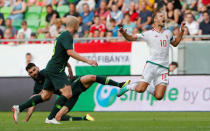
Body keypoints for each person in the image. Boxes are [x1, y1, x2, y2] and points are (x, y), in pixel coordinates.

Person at [12, 16, 98, 124]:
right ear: (75, 25)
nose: (78, 27)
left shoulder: (62, 35)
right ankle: (50, 118)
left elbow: (60, 54)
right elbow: (70, 52)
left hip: (51, 68)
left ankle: (19, 108)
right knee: (68, 93)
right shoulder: (68, 35)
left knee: (45, 96)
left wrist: (68, 66)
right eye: (78, 25)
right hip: (56, 70)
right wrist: (87, 61)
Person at [117, 10, 185, 101]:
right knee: (140, 89)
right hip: (151, 65)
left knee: (159, 96)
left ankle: (148, 87)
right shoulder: (148, 34)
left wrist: (182, 31)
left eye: (164, 16)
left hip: (163, 68)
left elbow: (175, 43)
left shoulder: (168, 33)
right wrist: (124, 33)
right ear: (155, 20)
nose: (164, 18)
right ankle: (129, 87)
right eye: (161, 16)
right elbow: (131, 38)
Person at [22, 63, 94, 122]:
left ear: (38, 68)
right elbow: (33, 103)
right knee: (57, 117)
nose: (34, 73)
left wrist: (69, 68)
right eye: (31, 72)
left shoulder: (46, 72)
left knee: (92, 78)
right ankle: (84, 118)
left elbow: (60, 63)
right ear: (29, 75)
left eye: (34, 70)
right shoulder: (37, 87)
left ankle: (102, 78)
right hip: (69, 97)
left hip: (74, 85)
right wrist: (26, 119)